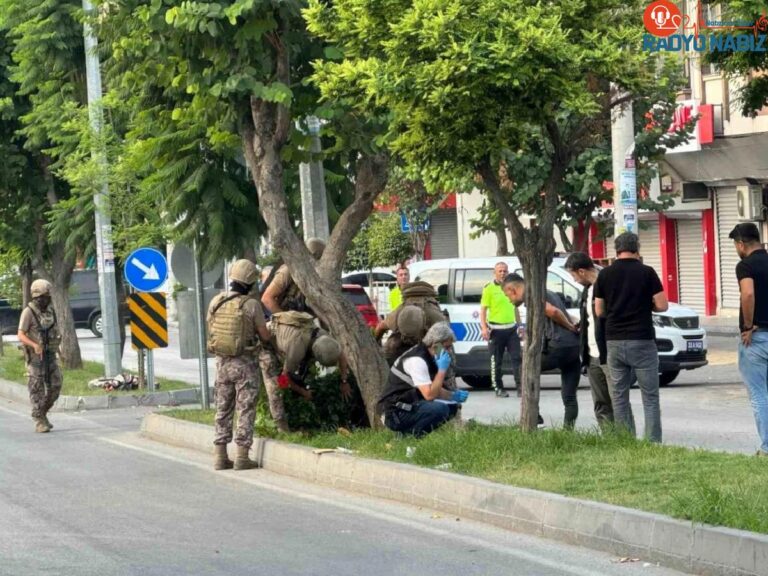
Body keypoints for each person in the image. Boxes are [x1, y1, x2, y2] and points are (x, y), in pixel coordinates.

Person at [594, 232, 668, 443]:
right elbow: (662, 304)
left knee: (618, 395)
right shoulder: (647, 272)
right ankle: (653, 441)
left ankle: (626, 440)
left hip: (614, 341)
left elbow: (599, 310)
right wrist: (647, 305)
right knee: (650, 395)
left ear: (616, 249)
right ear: (637, 248)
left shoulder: (604, 274)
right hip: (642, 340)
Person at [207, 259, 272, 471]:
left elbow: (211, 329)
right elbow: (264, 336)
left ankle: (219, 456)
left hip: (222, 363)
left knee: (223, 408)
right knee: (245, 408)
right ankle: (242, 456)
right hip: (246, 365)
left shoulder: (216, 301)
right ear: (252, 283)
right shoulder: (251, 305)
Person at [502, 274, 581, 428]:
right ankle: (568, 431)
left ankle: (535, 419)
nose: (509, 300)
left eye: (507, 296)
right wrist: (572, 326)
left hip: (557, 346)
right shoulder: (547, 291)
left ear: (513, 290)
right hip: (572, 347)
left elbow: (553, 312)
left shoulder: (532, 295)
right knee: (569, 395)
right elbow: (563, 312)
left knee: (524, 369)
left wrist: (569, 326)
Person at [258, 310, 350, 433]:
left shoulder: (325, 338)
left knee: (300, 376)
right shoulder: (297, 349)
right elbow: (284, 378)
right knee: (276, 387)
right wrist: (303, 392)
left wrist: (344, 380)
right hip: (267, 342)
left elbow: (341, 355)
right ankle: (281, 427)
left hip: (286, 342)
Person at [378, 322, 468, 437]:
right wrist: (441, 370)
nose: (449, 351)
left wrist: (452, 396)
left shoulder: (430, 356)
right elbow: (429, 395)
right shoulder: (417, 360)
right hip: (394, 412)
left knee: (452, 407)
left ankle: (413, 435)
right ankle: (408, 438)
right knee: (440, 409)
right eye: (446, 347)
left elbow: (433, 388)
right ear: (435, 345)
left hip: (408, 404)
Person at [564, 252, 620, 429]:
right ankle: (609, 438)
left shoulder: (608, 285)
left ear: (581, 271)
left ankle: (625, 438)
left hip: (608, 352)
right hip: (591, 355)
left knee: (618, 400)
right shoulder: (587, 291)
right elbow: (590, 319)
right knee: (601, 402)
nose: (574, 280)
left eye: (573, 275)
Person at [729, 223, 768, 456]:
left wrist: (747, 325)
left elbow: (748, 293)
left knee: (759, 394)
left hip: (756, 338)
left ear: (741, 244)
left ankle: (766, 448)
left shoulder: (745, 266)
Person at [17, 279, 62, 433]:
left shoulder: (50, 311)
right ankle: (39, 421)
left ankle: (42, 413)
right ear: (38, 297)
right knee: (37, 390)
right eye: (45, 296)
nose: (48, 299)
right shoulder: (28, 312)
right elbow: (21, 335)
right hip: (35, 359)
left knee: (56, 385)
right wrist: (34, 345)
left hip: (50, 356)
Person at [480, 262, 522, 398]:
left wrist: (520, 325)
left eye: (505, 271)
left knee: (517, 358)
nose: (503, 273)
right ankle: (498, 387)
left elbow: (515, 306)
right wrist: (484, 328)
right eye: (500, 271)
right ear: (495, 272)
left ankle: (521, 387)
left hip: (511, 329)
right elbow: (483, 310)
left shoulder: (511, 287)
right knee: (496, 361)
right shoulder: (489, 288)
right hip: (496, 331)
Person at [261, 238, 326, 314]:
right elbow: (267, 298)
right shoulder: (289, 270)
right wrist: (286, 319)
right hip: (287, 318)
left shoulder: (315, 276)